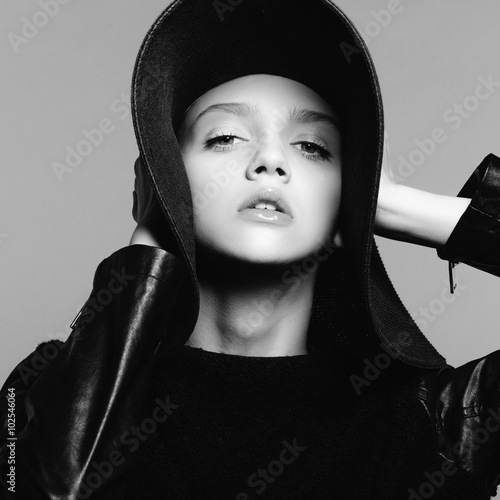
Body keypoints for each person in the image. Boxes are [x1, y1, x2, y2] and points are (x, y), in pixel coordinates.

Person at [1, 0, 500, 499]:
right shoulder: (44, 390)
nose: (269, 160)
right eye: (225, 137)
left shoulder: (441, 420)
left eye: (312, 147)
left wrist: (403, 206)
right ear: (164, 179)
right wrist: (148, 252)